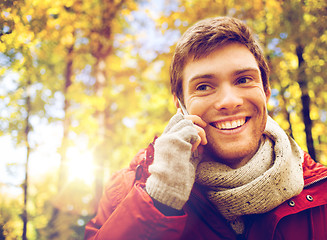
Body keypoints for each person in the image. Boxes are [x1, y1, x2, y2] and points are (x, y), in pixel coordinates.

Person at [84, 16, 327, 240]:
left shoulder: (321, 189)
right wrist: (159, 202)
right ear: (181, 106)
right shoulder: (125, 191)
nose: (229, 101)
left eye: (243, 80)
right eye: (203, 87)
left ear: (266, 92)